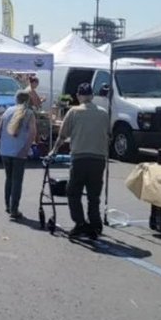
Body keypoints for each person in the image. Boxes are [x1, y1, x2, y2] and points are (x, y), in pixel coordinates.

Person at [53, 82, 111, 237]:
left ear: (79, 96)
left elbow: (62, 135)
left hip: (80, 157)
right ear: (92, 96)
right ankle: (95, 224)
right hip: (98, 159)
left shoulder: (74, 112)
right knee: (94, 195)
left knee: (73, 192)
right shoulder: (103, 113)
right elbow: (108, 134)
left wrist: (53, 151)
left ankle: (80, 223)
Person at [0, 90, 37, 220]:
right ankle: (14, 209)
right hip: (19, 151)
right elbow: (32, 133)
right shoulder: (29, 113)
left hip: (5, 150)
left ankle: (8, 205)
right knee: (17, 180)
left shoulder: (7, 111)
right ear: (27, 100)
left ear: (16, 99)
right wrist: (26, 148)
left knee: (9, 178)